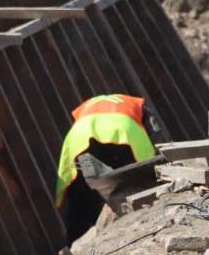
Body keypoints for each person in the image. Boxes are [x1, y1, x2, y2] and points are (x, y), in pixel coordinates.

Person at [55, 94, 156, 239]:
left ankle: (76, 241)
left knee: (79, 194)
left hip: (79, 135)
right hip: (122, 127)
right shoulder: (138, 104)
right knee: (137, 173)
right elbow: (153, 137)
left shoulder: (90, 105)